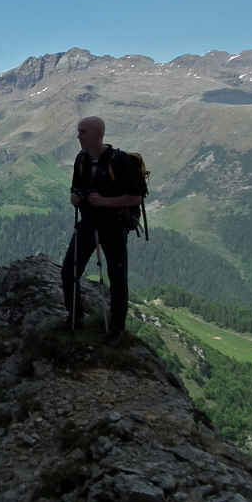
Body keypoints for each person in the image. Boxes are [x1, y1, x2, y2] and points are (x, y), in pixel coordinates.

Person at [61, 116, 142, 339]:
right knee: (69, 271)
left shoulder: (118, 161)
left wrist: (105, 201)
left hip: (114, 226)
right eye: (79, 132)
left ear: (98, 134)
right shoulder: (81, 160)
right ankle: (75, 317)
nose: (79, 136)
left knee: (117, 277)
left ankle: (116, 328)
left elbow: (135, 198)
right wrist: (76, 197)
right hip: (88, 222)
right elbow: (76, 188)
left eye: (83, 132)